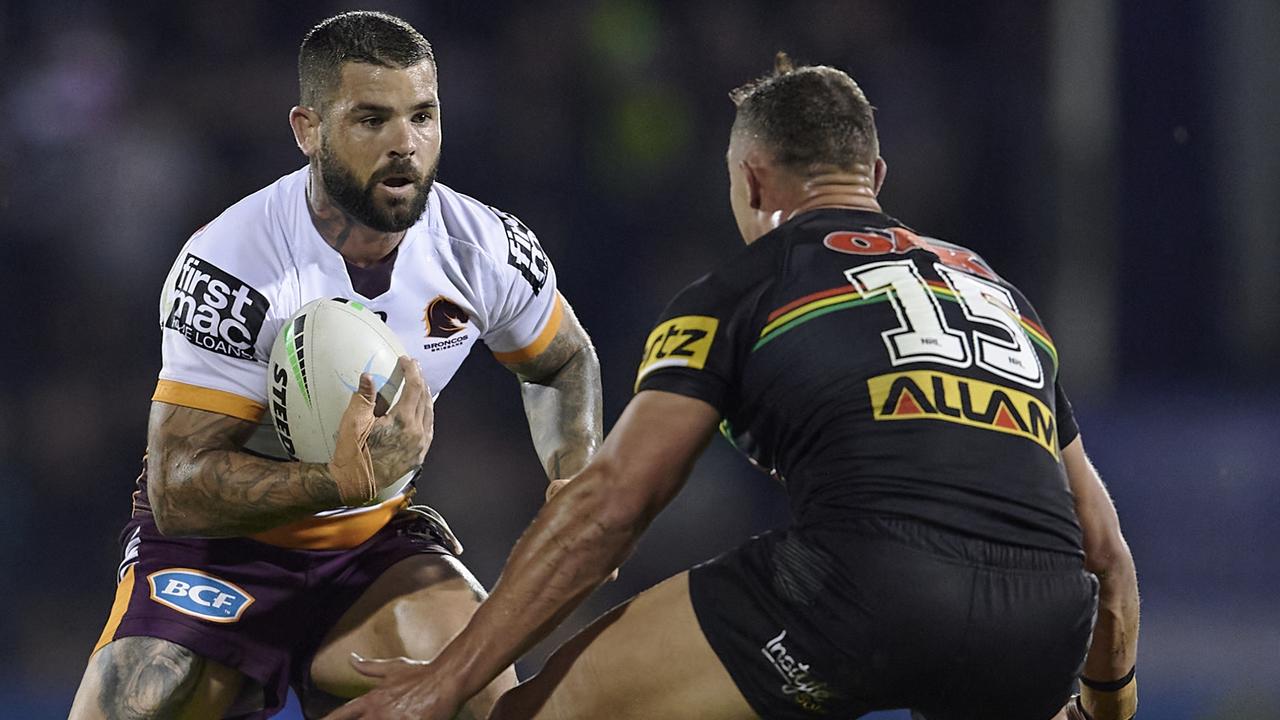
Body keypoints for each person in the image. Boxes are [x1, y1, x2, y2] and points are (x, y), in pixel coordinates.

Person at [325, 53, 1140, 720]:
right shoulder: (1001, 298)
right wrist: (1104, 706)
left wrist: (449, 678)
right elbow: (1104, 552)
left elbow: (612, 507)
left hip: (866, 591)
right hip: (1038, 631)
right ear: (875, 174)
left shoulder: (751, 285)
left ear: (750, 181)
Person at [68, 10, 602, 720]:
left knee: (490, 700)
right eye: (372, 119)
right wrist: (331, 480)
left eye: (423, 116)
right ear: (308, 129)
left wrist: (577, 480)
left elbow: (563, 361)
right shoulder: (233, 266)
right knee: (145, 700)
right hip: (219, 550)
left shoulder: (487, 249)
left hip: (370, 545)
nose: (405, 145)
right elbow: (178, 488)